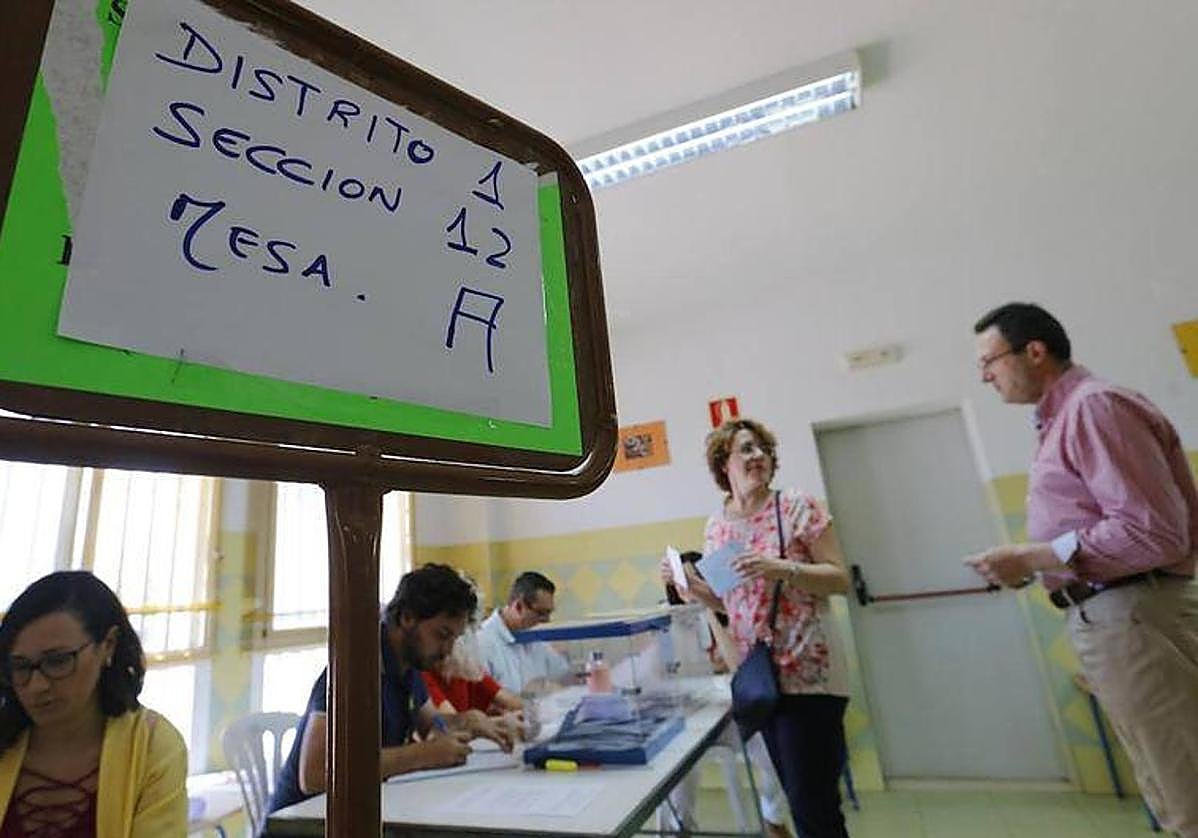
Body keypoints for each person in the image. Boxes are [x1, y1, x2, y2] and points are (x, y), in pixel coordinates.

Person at [965, 302, 1198, 836]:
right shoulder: (1062, 418)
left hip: (1134, 613)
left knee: (1185, 786)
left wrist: (1034, 556)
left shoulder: (1093, 407)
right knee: (1169, 785)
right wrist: (1035, 565)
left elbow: (1153, 532)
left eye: (989, 361)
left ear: (1035, 351)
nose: (984, 377)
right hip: (1116, 614)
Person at [679, 418, 852, 838]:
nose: (758, 456)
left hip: (809, 677)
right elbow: (732, 604)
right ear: (723, 464)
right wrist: (695, 591)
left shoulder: (795, 506)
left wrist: (782, 568)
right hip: (760, 682)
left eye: (763, 449)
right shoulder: (716, 526)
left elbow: (839, 578)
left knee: (813, 809)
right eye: (746, 449)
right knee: (799, 800)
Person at [268, 564, 515, 818]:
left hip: (360, 812)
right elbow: (314, 774)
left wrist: (469, 721)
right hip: (305, 822)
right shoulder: (355, 668)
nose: (447, 650)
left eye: (454, 638)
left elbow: (431, 724)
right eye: (442, 635)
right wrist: (422, 755)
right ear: (407, 618)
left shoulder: (408, 663)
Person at [0, 571, 188, 837]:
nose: (36, 686)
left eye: (58, 661)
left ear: (108, 645)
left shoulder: (151, 746)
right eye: (20, 667)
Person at [660, 551, 793, 838]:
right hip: (693, 716)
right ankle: (680, 828)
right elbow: (674, 671)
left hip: (735, 715)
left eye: (698, 579)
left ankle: (772, 813)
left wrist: (707, 608)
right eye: (685, 581)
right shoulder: (671, 624)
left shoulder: (733, 614)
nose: (691, 586)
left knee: (777, 756)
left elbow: (735, 665)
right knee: (677, 764)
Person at [475, 572, 569, 693]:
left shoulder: (533, 635)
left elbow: (562, 675)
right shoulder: (483, 642)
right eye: (541, 613)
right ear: (518, 606)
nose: (547, 620)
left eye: (549, 613)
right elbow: (485, 697)